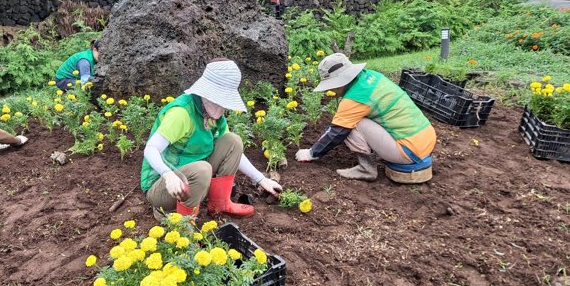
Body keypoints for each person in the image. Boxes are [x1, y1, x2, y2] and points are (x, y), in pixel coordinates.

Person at [141, 59, 283, 219]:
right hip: (163, 186)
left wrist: (262, 180)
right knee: (203, 169)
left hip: (194, 178)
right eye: (217, 100)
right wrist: (168, 175)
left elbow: (231, 151)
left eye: (224, 103)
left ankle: (219, 203)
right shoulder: (182, 113)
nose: (221, 108)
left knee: (233, 141)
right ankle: (182, 220)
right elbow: (151, 149)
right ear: (204, 93)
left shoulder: (213, 114)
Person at [295, 53, 436, 180]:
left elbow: (337, 132)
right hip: (426, 139)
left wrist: (311, 153)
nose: (329, 90)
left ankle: (366, 169)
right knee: (357, 119)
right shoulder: (372, 76)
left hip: (409, 152)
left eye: (329, 86)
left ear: (339, 81)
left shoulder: (355, 98)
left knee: (353, 124)